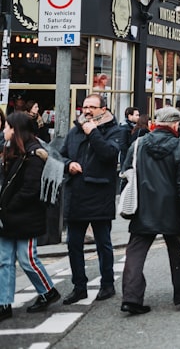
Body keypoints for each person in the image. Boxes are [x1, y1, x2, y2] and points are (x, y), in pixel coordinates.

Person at [119, 107, 180, 315]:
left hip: (142, 208)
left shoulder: (138, 145)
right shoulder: (179, 148)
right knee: (178, 251)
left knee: (135, 253)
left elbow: (126, 171)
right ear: (174, 124)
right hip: (172, 210)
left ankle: (131, 298)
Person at [60, 93, 124, 305]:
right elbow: (60, 155)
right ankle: (79, 286)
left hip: (99, 195)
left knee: (103, 244)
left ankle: (107, 284)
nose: (86, 111)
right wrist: (68, 164)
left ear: (103, 110)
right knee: (73, 245)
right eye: (85, 106)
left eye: (92, 107)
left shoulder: (114, 131)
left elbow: (109, 154)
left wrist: (94, 133)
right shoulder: (74, 131)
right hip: (76, 196)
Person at [0, 111, 61, 322]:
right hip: (8, 216)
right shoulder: (11, 150)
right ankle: (3, 303)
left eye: (7, 127)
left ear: (16, 130)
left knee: (27, 259)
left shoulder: (34, 154)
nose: (4, 130)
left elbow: (30, 189)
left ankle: (48, 291)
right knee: (4, 260)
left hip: (25, 216)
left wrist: (6, 207)